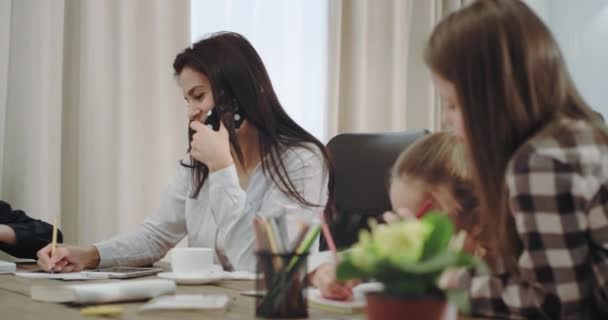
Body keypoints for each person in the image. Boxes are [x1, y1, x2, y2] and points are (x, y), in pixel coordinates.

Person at [36, 32, 334, 273]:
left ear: (239, 93)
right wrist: (89, 255)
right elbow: (158, 234)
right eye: (187, 100)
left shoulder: (302, 161)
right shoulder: (201, 161)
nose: (192, 113)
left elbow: (265, 266)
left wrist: (222, 170)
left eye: (199, 96)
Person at [425, 0, 608, 318]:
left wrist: (455, 283)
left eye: (451, 104)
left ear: (491, 100)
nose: (445, 119)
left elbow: (559, 305)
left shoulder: (540, 164)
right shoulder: (584, 136)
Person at [309, 132, 482, 300]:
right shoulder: (403, 254)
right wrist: (323, 272)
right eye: (402, 222)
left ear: (476, 221)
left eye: (420, 225)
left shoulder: (494, 279)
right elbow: (339, 259)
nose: (408, 234)